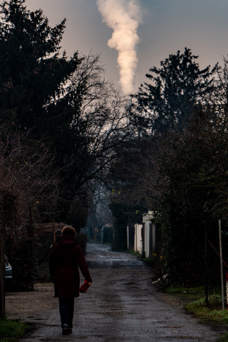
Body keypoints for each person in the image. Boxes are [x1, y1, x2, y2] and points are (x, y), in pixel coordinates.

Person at [49, 226, 92, 335]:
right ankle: (70, 325)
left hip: (59, 276)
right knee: (70, 301)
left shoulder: (56, 246)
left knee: (62, 301)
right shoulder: (76, 247)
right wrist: (88, 278)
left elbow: (51, 263)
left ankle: (64, 324)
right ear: (73, 234)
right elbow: (82, 264)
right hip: (72, 276)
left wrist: (52, 277)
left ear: (62, 234)